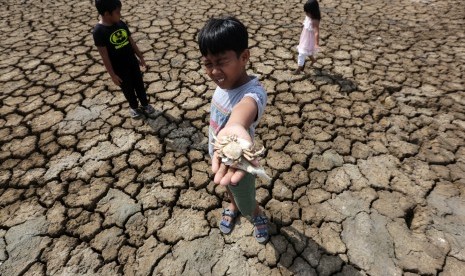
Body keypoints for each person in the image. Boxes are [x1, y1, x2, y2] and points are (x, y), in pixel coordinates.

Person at [197, 17, 269, 243]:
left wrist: (236, 125)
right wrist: (218, 147)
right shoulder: (222, 85)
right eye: (208, 64)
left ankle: (255, 212)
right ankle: (232, 203)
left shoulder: (254, 94)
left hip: (241, 162)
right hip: (219, 153)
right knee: (228, 186)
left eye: (221, 62)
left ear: (244, 57)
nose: (214, 71)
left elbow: (244, 110)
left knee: (244, 192)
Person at [92, 0, 155, 118]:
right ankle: (134, 107)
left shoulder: (120, 24)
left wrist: (140, 57)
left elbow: (131, 42)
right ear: (106, 13)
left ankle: (145, 104)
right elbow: (104, 56)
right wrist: (112, 75)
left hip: (132, 63)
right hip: (119, 69)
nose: (120, 14)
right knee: (128, 89)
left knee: (139, 85)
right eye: (117, 12)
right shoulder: (99, 32)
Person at [293, 0, 321, 74]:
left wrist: (316, 43)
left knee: (302, 53)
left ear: (313, 12)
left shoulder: (314, 21)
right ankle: (313, 60)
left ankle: (299, 69)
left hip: (309, 39)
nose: (306, 13)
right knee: (307, 51)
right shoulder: (309, 17)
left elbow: (316, 33)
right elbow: (307, 24)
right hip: (305, 37)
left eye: (307, 12)